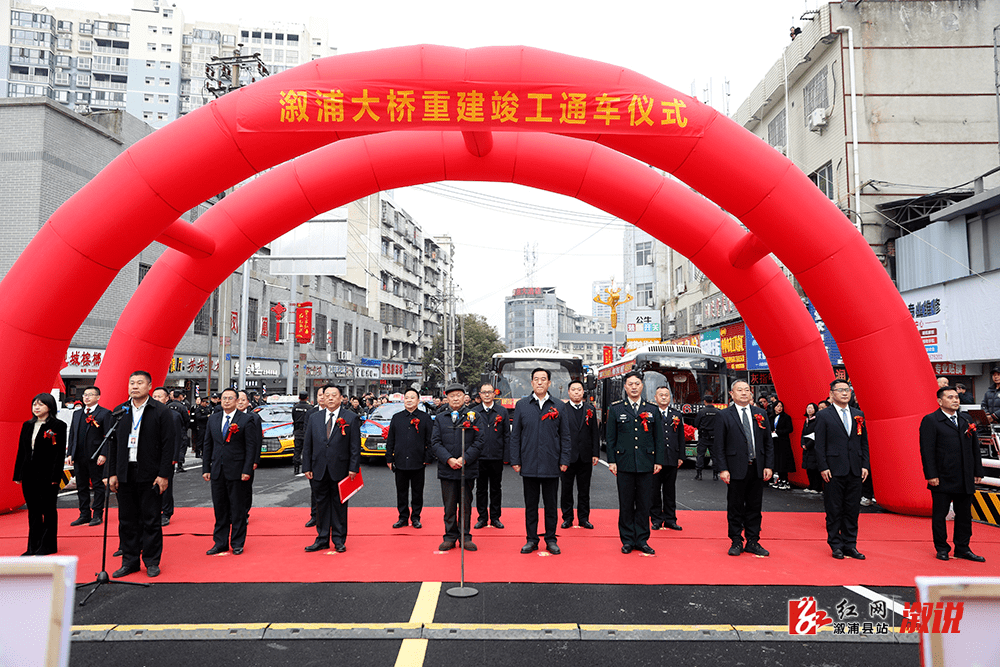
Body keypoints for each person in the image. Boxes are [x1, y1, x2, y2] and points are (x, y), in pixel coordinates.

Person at [108, 370, 175, 578]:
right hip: (125, 473)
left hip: (150, 474)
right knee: (127, 520)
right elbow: (112, 445)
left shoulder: (161, 411)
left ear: (149, 386)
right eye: (131, 383)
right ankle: (130, 561)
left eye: (139, 383)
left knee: (150, 519)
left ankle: (152, 561)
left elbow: (168, 445)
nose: (134, 386)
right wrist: (111, 473)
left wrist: (164, 475)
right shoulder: (120, 411)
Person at [919, 387, 986, 562]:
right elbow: (927, 450)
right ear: (940, 401)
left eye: (957, 397)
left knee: (964, 515)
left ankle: (963, 548)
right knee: (940, 515)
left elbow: (974, 448)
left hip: (965, 475)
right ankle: (942, 548)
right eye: (950, 397)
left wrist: (977, 471)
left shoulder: (965, 419)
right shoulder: (931, 420)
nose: (955, 400)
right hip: (942, 476)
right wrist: (931, 474)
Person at [509, 368, 571, 555]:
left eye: (543, 379)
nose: (540, 382)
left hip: (552, 463)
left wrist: (564, 459)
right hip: (529, 463)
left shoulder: (559, 406)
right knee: (531, 505)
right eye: (536, 379)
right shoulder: (522, 405)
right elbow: (515, 436)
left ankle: (551, 539)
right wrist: (515, 460)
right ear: (531, 383)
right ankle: (531, 539)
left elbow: (565, 436)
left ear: (549, 383)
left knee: (551, 505)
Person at [712, 380, 773, 557]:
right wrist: (722, 468)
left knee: (755, 506)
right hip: (735, 468)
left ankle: (753, 541)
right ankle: (736, 540)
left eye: (747, 390)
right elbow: (719, 445)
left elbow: (768, 442)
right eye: (740, 390)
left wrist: (768, 465)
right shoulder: (724, 415)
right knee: (735, 506)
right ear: (732, 394)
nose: (744, 393)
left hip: (757, 467)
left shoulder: (760, 413)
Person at [606, 371, 664, 554]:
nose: (633, 387)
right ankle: (627, 540)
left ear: (642, 386)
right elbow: (610, 438)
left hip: (647, 462)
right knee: (626, 503)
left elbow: (659, 438)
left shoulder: (652, 409)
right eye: (630, 384)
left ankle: (642, 539)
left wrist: (658, 461)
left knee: (644, 503)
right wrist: (612, 461)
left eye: (637, 384)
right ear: (625, 387)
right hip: (624, 463)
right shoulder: (616, 409)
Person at [814, 379, 869, 560]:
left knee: (852, 509)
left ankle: (850, 545)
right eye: (840, 390)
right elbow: (819, 444)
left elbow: (863, 443)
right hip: (833, 469)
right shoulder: (824, 415)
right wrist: (823, 466)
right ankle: (836, 544)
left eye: (847, 390)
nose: (845, 393)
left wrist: (864, 465)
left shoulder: (858, 414)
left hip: (855, 469)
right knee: (834, 509)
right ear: (832, 394)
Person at [302, 384, 361, 553]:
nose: (330, 398)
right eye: (326, 395)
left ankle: (339, 539)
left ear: (341, 397)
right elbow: (308, 444)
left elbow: (355, 446)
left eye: (334, 395)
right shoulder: (314, 417)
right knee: (320, 505)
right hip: (318, 468)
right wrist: (306, 465)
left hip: (341, 469)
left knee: (339, 505)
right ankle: (321, 539)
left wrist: (353, 467)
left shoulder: (350, 418)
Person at [201, 387, 259, 555]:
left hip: (237, 470)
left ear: (236, 401)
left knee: (237, 508)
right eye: (223, 398)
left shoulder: (246, 420)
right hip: (218, 470)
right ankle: (220, 542)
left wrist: (247, 469)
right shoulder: (213, 419)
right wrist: (206, 468)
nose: (226, 401)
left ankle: (237, 542)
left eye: (230, 398)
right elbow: (208, 444)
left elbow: (250, 446)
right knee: (220, 508)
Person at [430, 383, 484, 551]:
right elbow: (435, 442)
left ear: (464, 397)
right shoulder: (440, 417)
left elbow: (479, 441)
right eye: (451, 396)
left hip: (467, 468)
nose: (455, 398)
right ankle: (450, 536)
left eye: (458, 395)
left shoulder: (474, 416)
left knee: (466, 503)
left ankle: (465, 536)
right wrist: (449, 459)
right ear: (447, 398)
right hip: (447, 468)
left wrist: (464, 459)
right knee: (449, 505)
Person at [13, 393, 67, 555]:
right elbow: (22, 451)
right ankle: (33, 546)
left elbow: (58, 454)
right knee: (33, 511)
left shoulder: (58, 426)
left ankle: (48, 545)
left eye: (41, 404)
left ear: (50, 407)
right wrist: (18, 474)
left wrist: (55, 478)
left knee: (49, 510)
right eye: (34, 404)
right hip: (29, 474)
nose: (36, 407)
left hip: (47, 475)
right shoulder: (27, 425)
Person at [386, 388, 432, 529]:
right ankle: (403, 518)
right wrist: (389, 458)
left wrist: (427, 458)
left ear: (418, 401)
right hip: (400, 462)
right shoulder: (397, 418)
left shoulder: (425, 418)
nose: (409, 400)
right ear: (403, 400)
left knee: (418, 492)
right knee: (401, 492)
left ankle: (416, 517)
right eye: (407, 398)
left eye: (413, 397)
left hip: (418, 461)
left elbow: (430, 441)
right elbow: (390, 440)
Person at [67, 385, 111, 527]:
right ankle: (84, 514)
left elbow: (108, 437)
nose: (86, 397)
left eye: (90, 394)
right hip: (79, 456)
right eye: (85, 394)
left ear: (98, 397)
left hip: (96, 456)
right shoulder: (77, 414)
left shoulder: (104, 413)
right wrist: (69, 454)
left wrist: (104, 454)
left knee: (98, 485)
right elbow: (72, 435)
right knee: (81, 486)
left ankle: (97, 514)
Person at [560, 380, 600, 530]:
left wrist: (595, 453)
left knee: (584, 490)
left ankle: (584, 518)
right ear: (569, 392)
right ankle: (567, 518)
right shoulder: (562, 409)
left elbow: (595, 433)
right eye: (573, 390)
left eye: (579, 389)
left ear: (583, 392)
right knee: (566, 489)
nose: (576, 392)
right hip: (567, 457)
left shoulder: (590, 409)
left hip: (585, 456)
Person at [473, 383, 509, 529]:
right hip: (479, 457)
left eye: (490, 392)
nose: (487, 395)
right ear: (480, 395)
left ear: (494, 394)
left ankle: (495, 517)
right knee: (481, 489)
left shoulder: (502, 411)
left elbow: (507, 435)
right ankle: (482, 517)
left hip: (496, 456)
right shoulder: (474, 412)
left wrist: (507, 455)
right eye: (484, 392)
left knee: (496, 488)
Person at [650, 385, 684, 531]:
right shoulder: (650, 414)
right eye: (661, 395)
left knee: (670, 491)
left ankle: (670, 519)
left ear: (670, 398)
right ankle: (656, 519)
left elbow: (681, 437)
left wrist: (681, 456)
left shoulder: (676, 414)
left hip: (672, 457)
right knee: (654, 491)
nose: (664, 397)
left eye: (666, 395)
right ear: (655, 398)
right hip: (655, 460)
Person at [151, 387, 183, 527]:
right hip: (149, 457)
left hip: (166, 457)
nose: (157, 399)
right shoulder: (147, 413)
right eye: (154, 396)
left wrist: (174, 457)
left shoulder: (173, 415)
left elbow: (177, 438)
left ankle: (166, 512)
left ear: (166, 399)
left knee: (166, 485)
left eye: (160, 396)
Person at [237, 390, 263, 521]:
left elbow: (258, 440)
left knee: (246, 488)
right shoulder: (229, 416)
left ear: (248, 402)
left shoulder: (254, 418)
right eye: (238, 399)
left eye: (243, 400)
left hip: (248, 458)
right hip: (233, 459)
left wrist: (255, 460)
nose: (240, 402)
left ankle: (244, 513)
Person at [769, 400, 795, 491]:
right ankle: (779, 479)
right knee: (777, 461)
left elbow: (789, 429)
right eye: (777, 406)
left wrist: (778, 432)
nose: (779, 408)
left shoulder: (786, 417)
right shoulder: (771, 417)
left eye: (781, 406)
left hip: (783, 442)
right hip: (774, 442)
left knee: (784, 461)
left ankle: (785, 480)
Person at [692, 396, 719, 480]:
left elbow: (696, 424)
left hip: (703, 437)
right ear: (712, 401)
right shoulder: (718, 412)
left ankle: (699, 474)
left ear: (704, 401)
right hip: (714, 437)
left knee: (700, 455)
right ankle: (715, 475)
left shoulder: (702, 412)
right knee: (715, 456)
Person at [800, 403, 823, 494]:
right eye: (808, 408)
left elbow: (816, 434)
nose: (809, 410)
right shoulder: (806, 421)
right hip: (806, 448)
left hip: (813, 447)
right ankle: (811, 485)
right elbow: (803, 434)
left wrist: (808, 445)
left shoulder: (817, 420)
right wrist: (803, 444)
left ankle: (817, 487)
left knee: (814, 468)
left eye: (811, 408)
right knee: (808, 467)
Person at [168, 389, 191, 473]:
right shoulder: (182, 406)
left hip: (169, 430)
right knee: (182, 446)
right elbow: (187, 419)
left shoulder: (168, 406)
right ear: (180, 396)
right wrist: (185, 428)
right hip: (180, 430)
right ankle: (180, 464)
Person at [291, 392, 312, 476]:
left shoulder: (295, 408)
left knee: (297, 450)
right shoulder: (310, 408)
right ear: (307, 398)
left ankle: (296, 468)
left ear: (299, 398)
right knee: (306, 450)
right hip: (306, 431)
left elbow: (293, 418)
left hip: (297, 431)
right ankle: (306, 468)